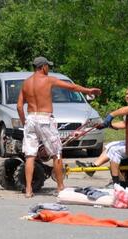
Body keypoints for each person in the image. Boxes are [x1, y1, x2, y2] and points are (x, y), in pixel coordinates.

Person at [17, 56, 101, 198]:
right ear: (43, 67)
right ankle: (60, 187)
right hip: (45, 118)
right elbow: (72, 87)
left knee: (30, 155)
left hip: (31, 118)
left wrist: (24, 121)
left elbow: (19, 106)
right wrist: (88, 91)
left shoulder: (26, 83)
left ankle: (29, 190)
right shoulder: (48, 80)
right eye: (47, 66)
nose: (48, 69)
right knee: (56, 153)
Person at [76, 85, 128, 185]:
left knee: (115, 152)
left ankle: (116, 183)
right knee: (110, 145)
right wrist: (107, 125)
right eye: (126, 93)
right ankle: (93, 167)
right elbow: (124, 124)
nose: (127, 95)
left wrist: (111, 115)